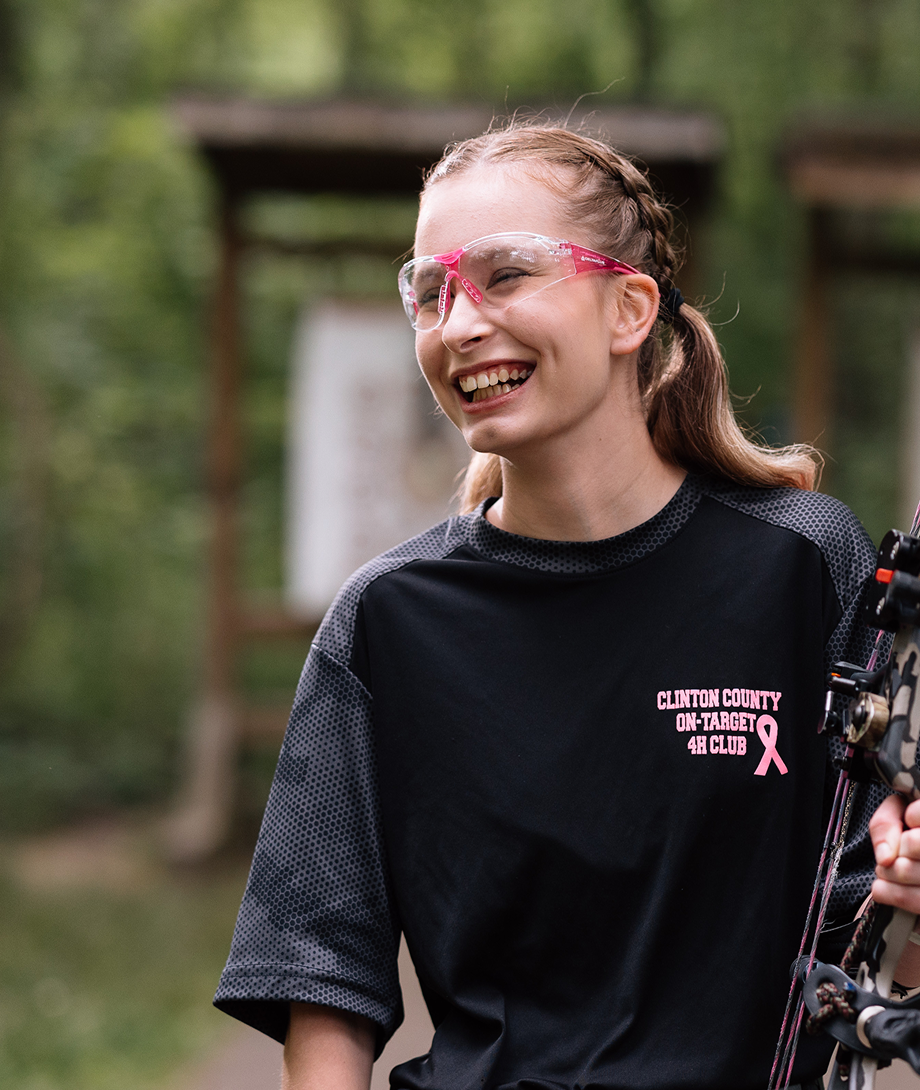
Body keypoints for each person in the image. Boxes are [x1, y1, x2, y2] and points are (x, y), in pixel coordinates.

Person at [213, 123, 920, 1090]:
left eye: (506, 276)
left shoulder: (805, 566)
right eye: (432, 289)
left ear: (630, 308)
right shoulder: (389, 620)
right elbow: (323, 979)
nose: (457, 324)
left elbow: (883, 954)